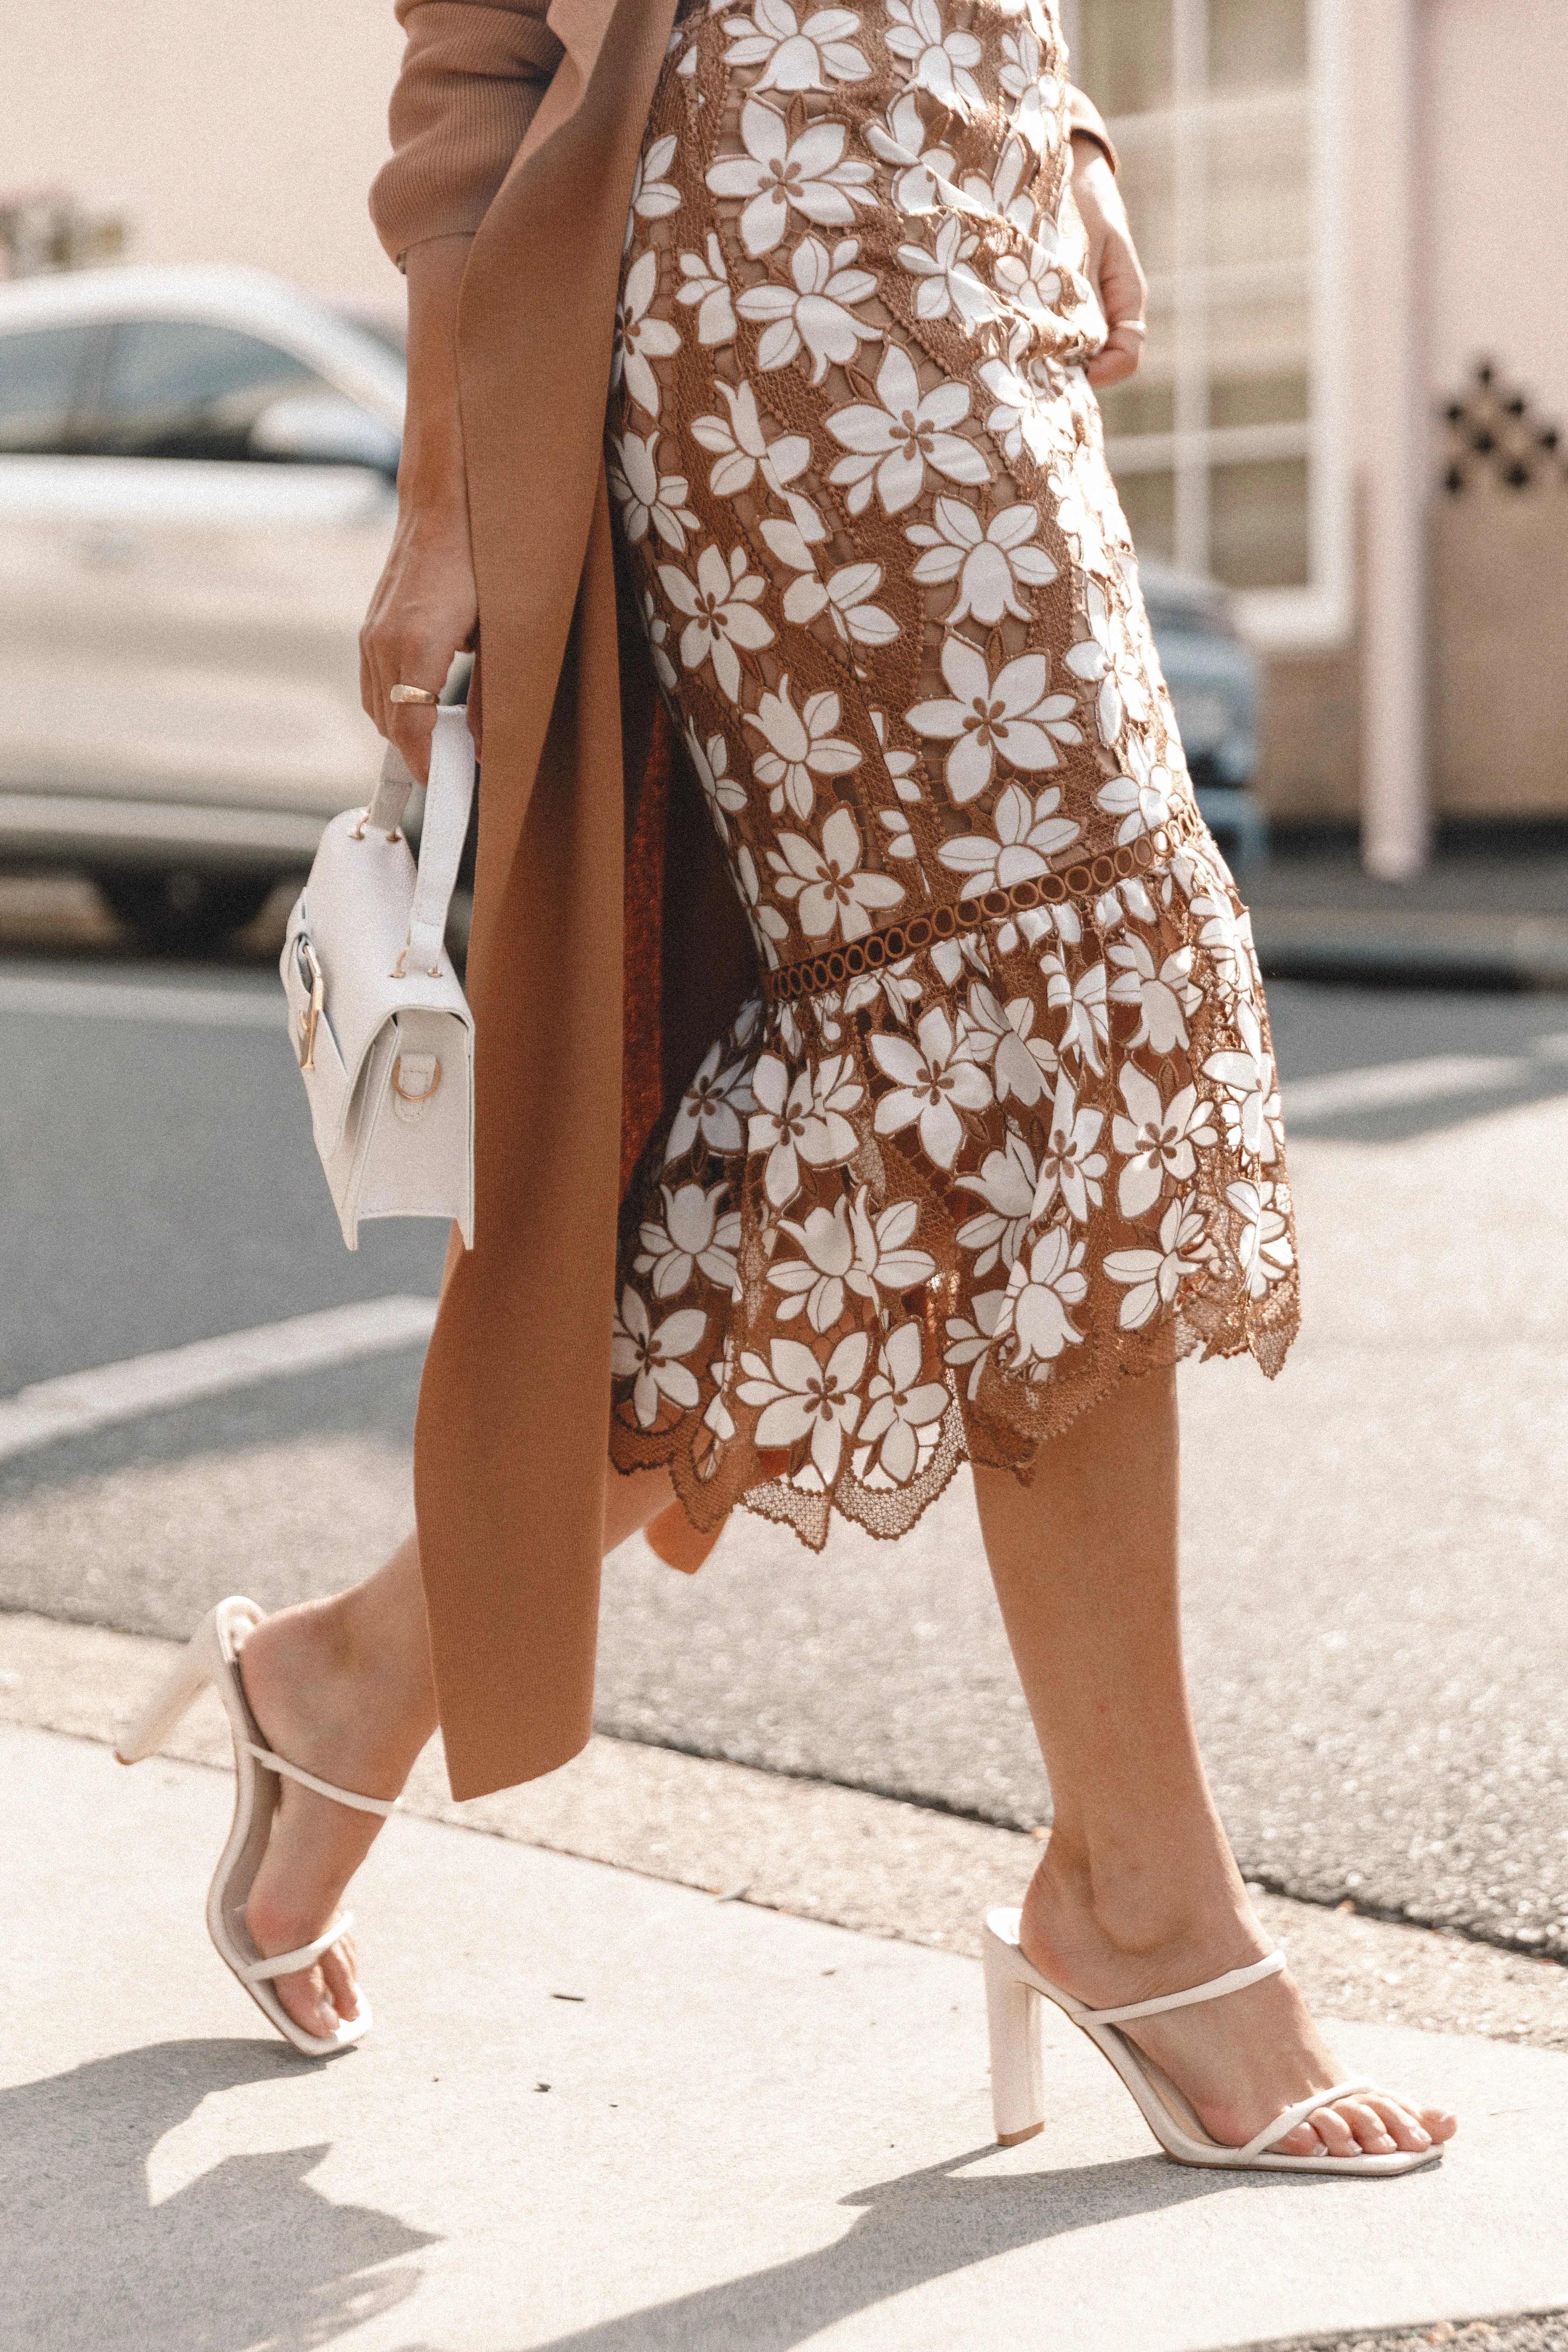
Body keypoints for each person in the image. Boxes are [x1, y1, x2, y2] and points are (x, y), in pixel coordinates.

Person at [137, 0, 1457, 2168]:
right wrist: (449, 493)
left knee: (951, 1060)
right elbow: (478, 53)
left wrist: (1067, 121)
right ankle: (1142, 1896)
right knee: (1049, 1006)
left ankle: (364, 1673)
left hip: (967, 225)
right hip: (774, 277)